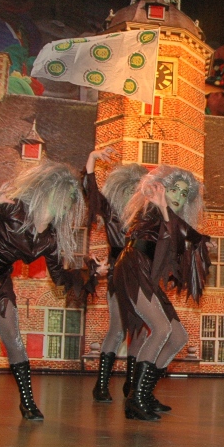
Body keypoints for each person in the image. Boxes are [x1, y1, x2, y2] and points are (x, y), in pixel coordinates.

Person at [0, 162, 101, 420]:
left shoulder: (50, 239)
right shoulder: (14, 209)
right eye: (67, 196)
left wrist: (92, 272)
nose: (68, 204)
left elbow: (60, 277)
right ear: (51, 192)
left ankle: (28, 403)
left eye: (72, 200)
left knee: (13, 338)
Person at [112, 166, 210, 420]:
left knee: (178, 336)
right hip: (134, 267)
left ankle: (145, 393)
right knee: (161, 328)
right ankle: (135, 399)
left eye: (184, 193)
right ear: (161, 188)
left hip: (149, 276)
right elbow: (172, 232)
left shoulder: (171, 217)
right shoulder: (151, 206)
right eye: (174, 189)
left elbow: (186, 236)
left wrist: (201, 243)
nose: (178, 196)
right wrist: (160, 203)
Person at [82, 148, 148, 404]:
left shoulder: (145, 216)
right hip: (119, 272)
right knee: (118, 329)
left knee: (138, 330)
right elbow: (90, 190)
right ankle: (101, 386)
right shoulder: (109, 210)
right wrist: (92, 158)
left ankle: (131, 385)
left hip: (141, 274)